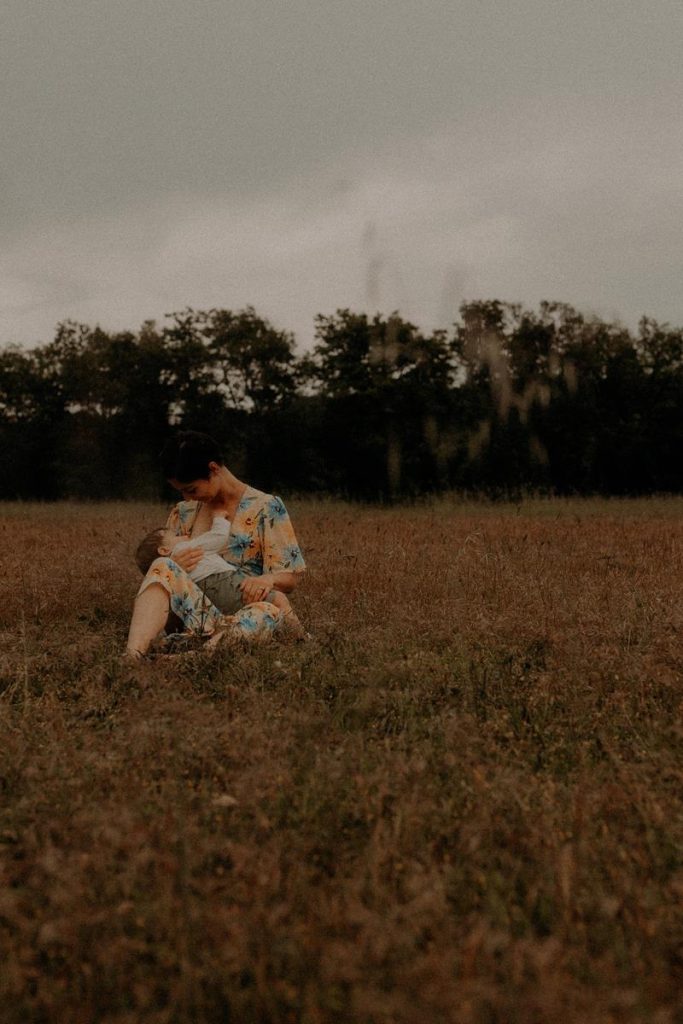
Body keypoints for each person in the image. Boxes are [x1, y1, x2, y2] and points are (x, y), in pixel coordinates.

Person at [125, 431, 306, 659]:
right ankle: (132, 657)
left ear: (213, 469)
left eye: (191, 489)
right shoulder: (182, 512)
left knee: (267, 611)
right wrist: (172, 564)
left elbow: (291, 578)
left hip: (244, 610)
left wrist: (267, 579)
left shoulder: (266, 507)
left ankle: (195, 657)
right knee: (162, 563)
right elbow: (160, 578)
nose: (187, 498)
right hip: (191, 615)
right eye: (181, 491)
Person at [134, 513, 305, 639]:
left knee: (248, 619)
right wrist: (220, 518)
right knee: (278, 600)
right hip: (224, 585)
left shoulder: (173, 562)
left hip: (203, 608)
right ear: (164, 550)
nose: (185, 536)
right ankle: (302, 638)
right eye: (177, 536)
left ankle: (199, 649)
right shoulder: (182, 550)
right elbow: (218, 538)